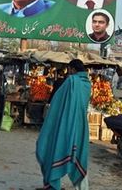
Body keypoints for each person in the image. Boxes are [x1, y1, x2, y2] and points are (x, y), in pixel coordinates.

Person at [36, 59, 91, 190]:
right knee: (79, 155)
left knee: (58, 150)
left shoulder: (71, 81)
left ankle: (54, 184)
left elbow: (58, 102)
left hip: (66, 124)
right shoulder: (87, 84)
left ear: (72, 69)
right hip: (81, 125)